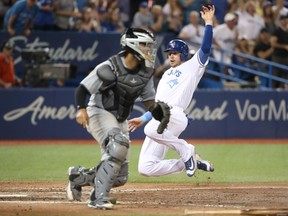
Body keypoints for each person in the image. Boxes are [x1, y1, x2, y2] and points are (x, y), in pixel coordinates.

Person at [67, 28, 158, 210]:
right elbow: (83, 89)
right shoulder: (109, 67)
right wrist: (81, 109)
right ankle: (97, 198)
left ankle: (77, 176)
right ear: (132, 45)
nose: (148, 49)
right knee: (118, 145)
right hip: (98, 111)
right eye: (145, 44)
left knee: (119, 177)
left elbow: (149, 102)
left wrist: (162, 114)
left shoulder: (146, 72)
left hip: (121, 119)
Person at [128, 5, 215, 179]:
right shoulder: (166, 74)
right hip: (160, 117)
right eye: (169, 53)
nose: (171, 56)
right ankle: (190, 161)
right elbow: (159, 104)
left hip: (174, 115)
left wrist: (208, 22)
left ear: (183, 54)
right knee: (145, 168)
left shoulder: (193, 67)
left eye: (175, 53)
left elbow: (205, 49)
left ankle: (186, 150)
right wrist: (143, 118)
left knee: (150, 130)